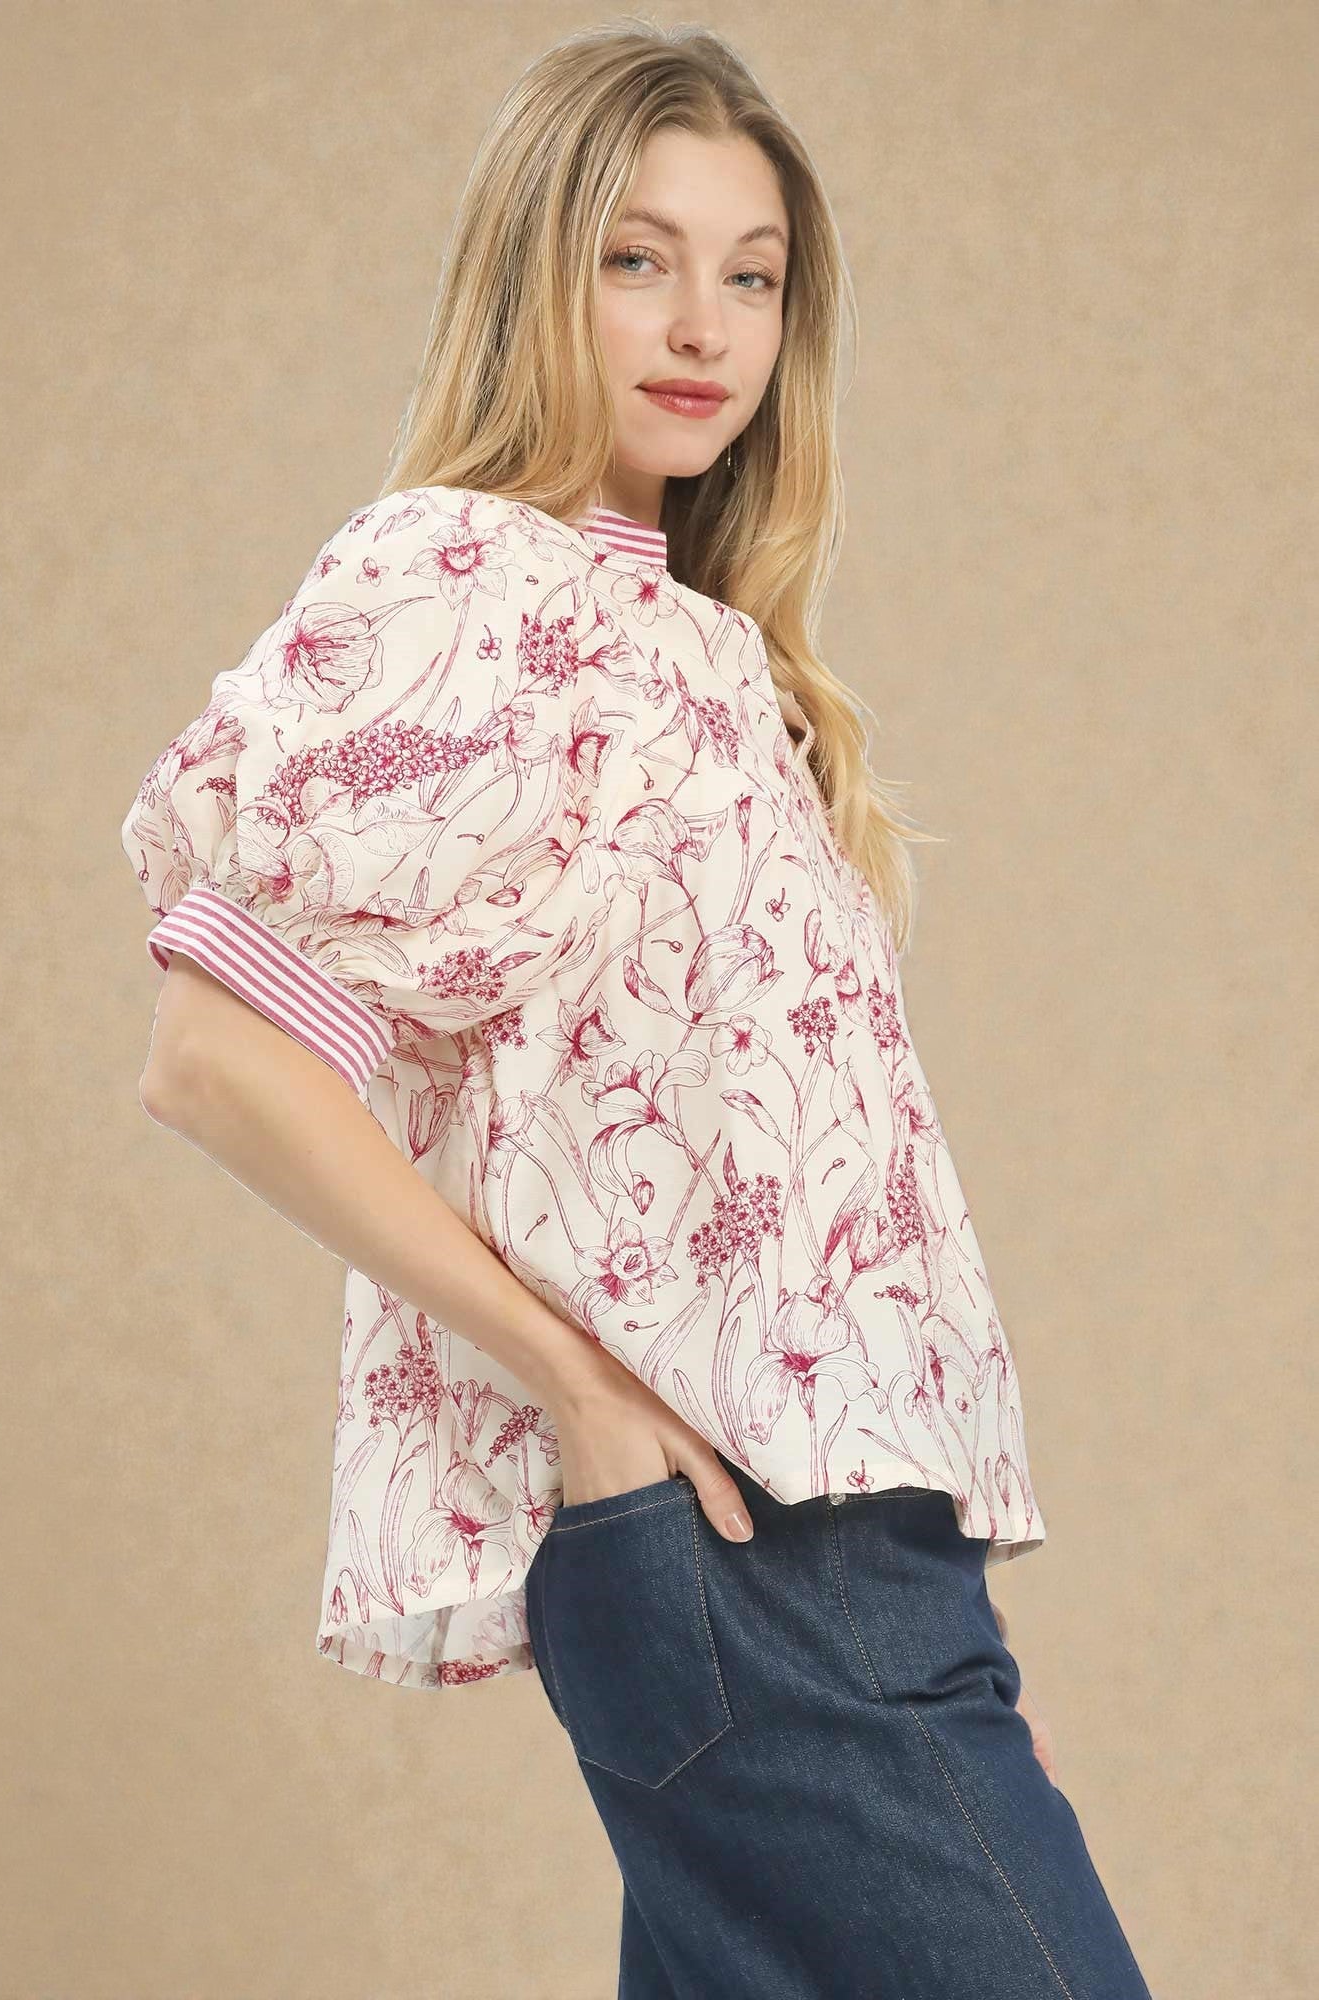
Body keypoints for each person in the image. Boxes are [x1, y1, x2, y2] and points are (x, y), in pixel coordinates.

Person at [119, 22, 1153, 1998]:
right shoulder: (461, 583)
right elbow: (218, 1049)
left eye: (749, 272)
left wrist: (957, 1667)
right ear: (537, 273)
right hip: (746, 1553)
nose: (703, 323)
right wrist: (577, 1387)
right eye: (635, 257)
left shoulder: (703, 652)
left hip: (861, 1565)